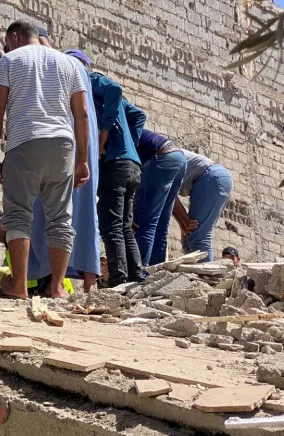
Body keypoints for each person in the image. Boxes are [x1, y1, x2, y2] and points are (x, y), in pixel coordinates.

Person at [0, 20, 90, 299]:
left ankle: (18, 287)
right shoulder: (70, 65)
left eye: (6, 42)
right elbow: (81, 115)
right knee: (60, 218)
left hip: (25, 141)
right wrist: (82, 160)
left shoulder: (9, 61)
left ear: (15, 37)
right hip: (63, 146)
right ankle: (56, 288)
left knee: (19, 214)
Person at [27, 48, 101, 293]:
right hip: (82, 156)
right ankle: (85, 284)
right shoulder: (86, 85)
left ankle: (52, 283)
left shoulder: (65, 74)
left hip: (63, 151)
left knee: (51, 212)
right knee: (84, 215)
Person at [84, 61, 147, 285]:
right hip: (132, 165)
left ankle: (118, 280)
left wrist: (104, 136)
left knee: (111, 227)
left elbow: (114, 88)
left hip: (113, 164)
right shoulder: (117, 106)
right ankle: (136, 277)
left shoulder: (88, 79)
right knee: (124, 227)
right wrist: (129, 143)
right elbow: (139, 115)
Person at [133, 129, 186, 266]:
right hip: (178, 157)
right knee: (161, 225)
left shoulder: (108, 132)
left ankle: (139, 274)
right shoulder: (128, 126)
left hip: (160, 158)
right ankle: (155, 273)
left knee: (145, 223)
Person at [173, 150, 234, 262]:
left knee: (199, 236)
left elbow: (169, 194)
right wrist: (183, 223)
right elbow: (168, 200)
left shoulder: (153, 159)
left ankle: (205, 276)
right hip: (215, 178)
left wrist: (184, 220)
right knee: (188, 238)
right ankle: (193, 275)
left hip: (211, 178)